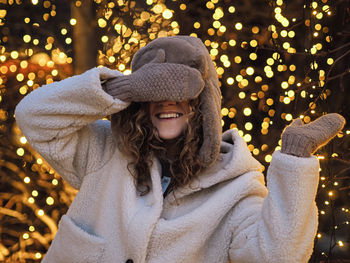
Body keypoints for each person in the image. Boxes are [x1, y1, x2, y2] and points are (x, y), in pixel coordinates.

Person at [15, 36, 345, 263]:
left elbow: (278, 255)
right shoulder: (103, 151)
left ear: (201, 105)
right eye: (155, 89)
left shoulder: (236, 186)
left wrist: (294, 161)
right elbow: (34, 115)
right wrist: (121, 87)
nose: (167, 102)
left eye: (181, 91)